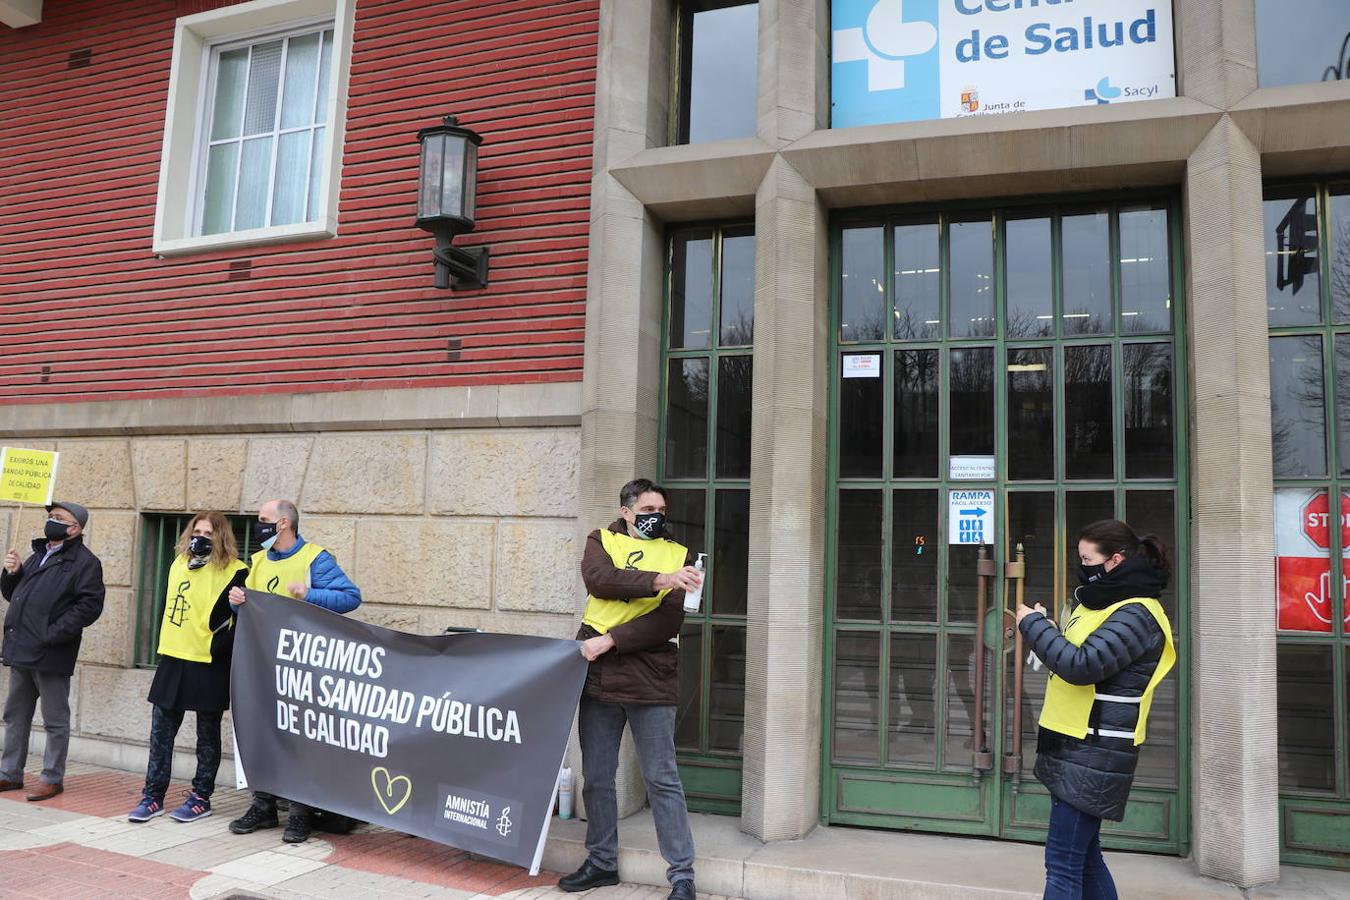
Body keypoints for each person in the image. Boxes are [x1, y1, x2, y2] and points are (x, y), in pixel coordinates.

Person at [1015, 519, 1177, 900]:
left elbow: (1081, 665)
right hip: (1075, 746)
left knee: (1063, 866)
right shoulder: (1105, 605)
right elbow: (1077, 653)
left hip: (1095, 751)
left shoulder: (1138, 613)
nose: (1081, 566)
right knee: (1084, 859)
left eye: (1088, 559)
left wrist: (1034, 627)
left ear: (1115, 560)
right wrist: (1050, 630)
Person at [558, 479, 702, 900]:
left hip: (650, 674)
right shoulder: (600, 540)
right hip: (599, 676)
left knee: (662, 778)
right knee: (597, 777)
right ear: (626, 511)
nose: (656, 514)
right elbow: (601, 581)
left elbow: (668, 622)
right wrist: (661, 580)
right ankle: (601, 863)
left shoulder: (684, 556)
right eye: (647, 507)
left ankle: (681, 875)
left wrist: (612, 639)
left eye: (661, 507)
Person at [226, 499, 361, 844]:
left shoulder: (315, 558)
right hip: (263, 663)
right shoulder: (256, 561)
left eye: (263, 520)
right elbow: (247, 611)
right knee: (263, 734)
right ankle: (263, 805)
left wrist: (311, 593)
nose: (258, 527)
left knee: (299, 738)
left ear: (283, 523)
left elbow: (350, 597)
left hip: (300, 669)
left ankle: (300, 813)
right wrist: (236, 602)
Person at [128, 512, 247, 823]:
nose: (201, 537)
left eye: (209, 533)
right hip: (173, 656)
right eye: (198, 530)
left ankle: (200, 797)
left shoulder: (237, 571)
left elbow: (244, 621)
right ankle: (153, 796)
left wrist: (219, 646)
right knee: (161, 732)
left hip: (208, 661)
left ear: (221, 537)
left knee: (207, 734)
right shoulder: (179, 562)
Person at [0, 501, 105, 801]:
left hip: (51, 652)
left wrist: (51, 634)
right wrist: (12, 573)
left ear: (75, 528)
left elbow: (89, 607)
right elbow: (14, 595)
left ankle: (52, 777)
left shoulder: (85, 563)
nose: (51, 521)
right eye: (50, 517)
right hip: (22, 650)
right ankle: (9, 773)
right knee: (15, 714)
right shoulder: (38, 556)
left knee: (54, 719)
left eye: (59, 518)